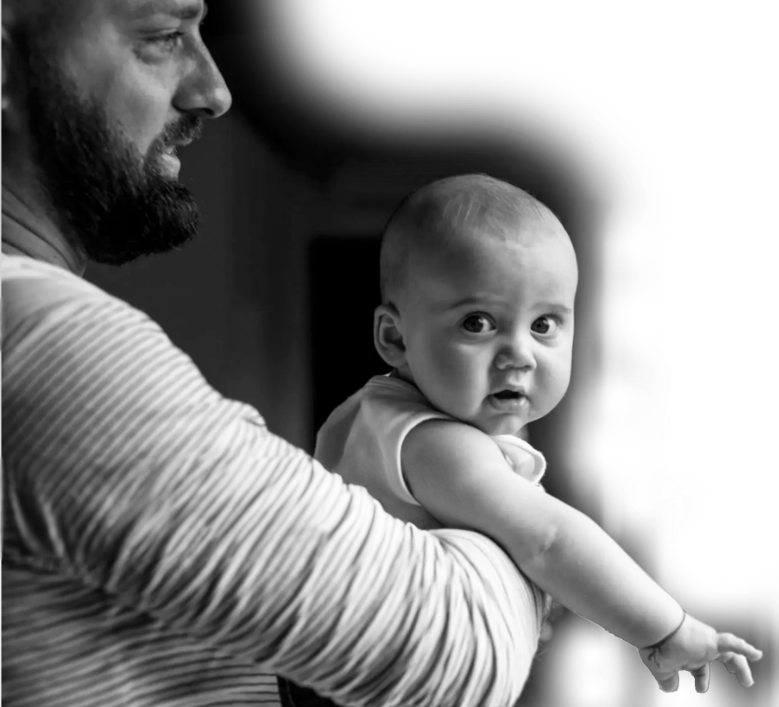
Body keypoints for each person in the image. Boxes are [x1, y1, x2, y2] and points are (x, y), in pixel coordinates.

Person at [2, 3, 554, 707]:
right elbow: (463, 653)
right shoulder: (44, 345)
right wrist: (517, 511)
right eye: (163, 37)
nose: (213, 90)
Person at [312, 173, 764, 697]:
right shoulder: (431, 442)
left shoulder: (368, 413)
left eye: (544, 324)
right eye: (478, 323)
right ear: (395, 338)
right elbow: (548, 540)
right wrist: (666, 628)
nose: (520, 355)